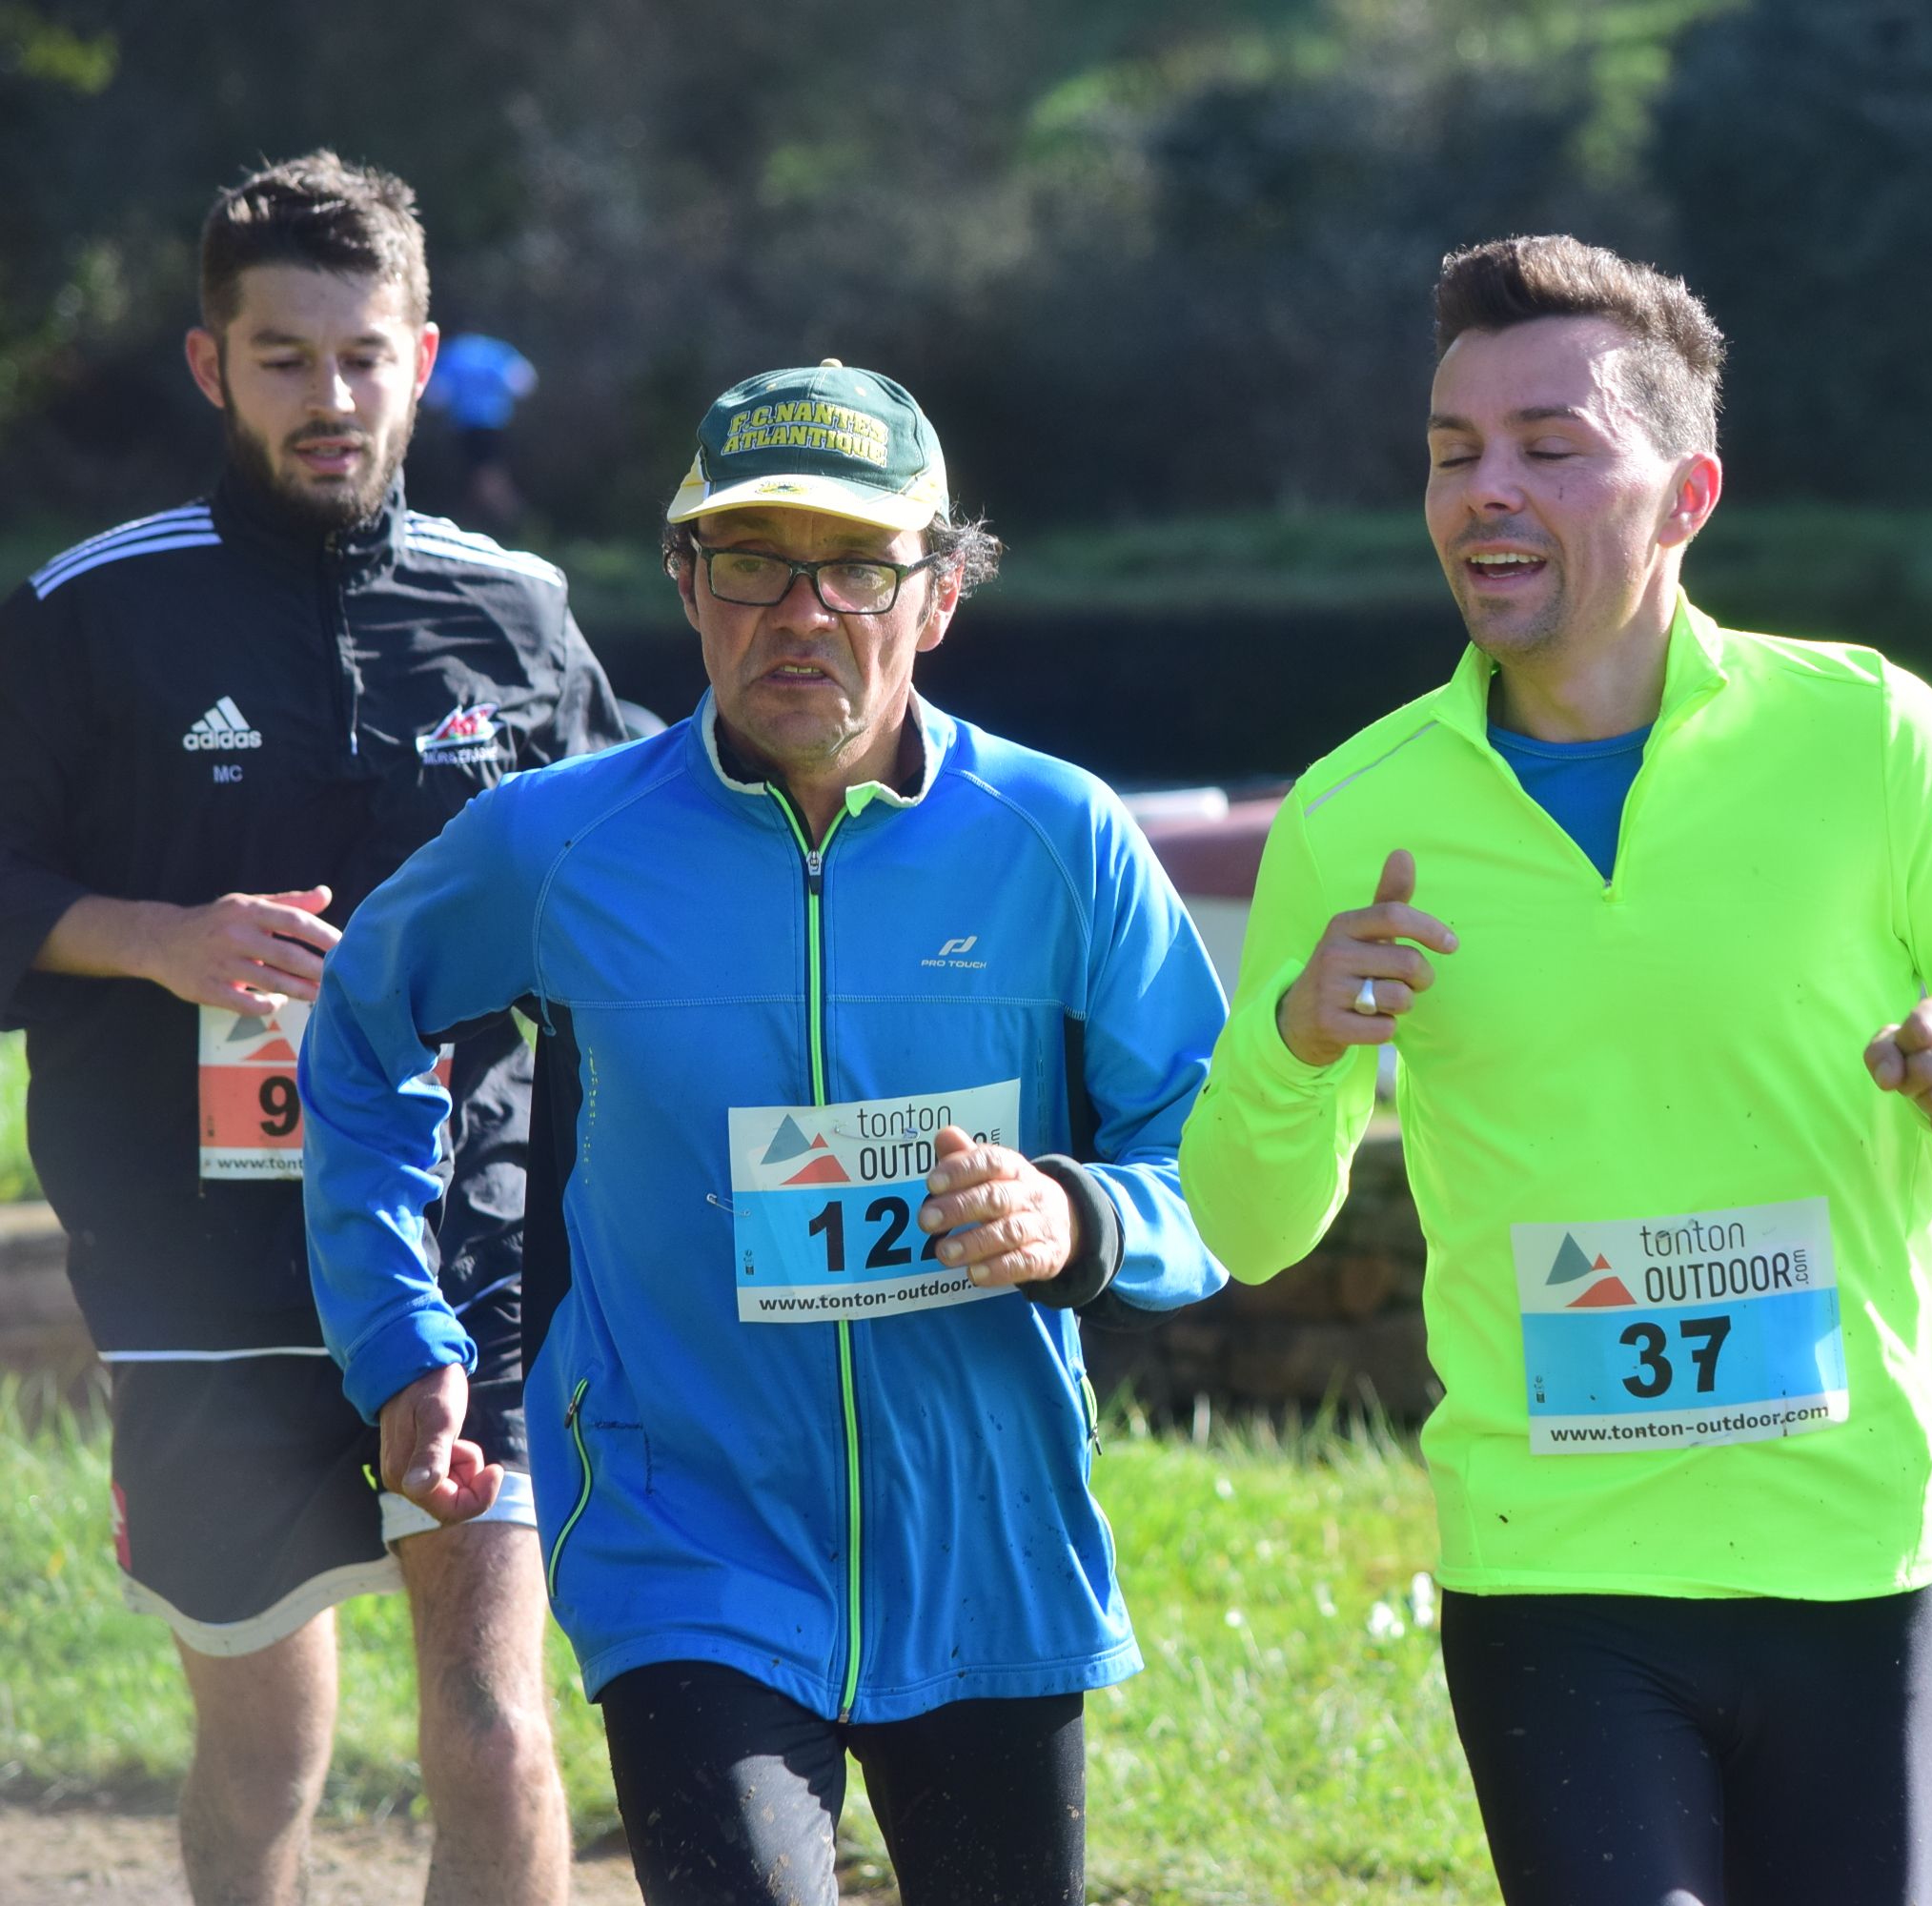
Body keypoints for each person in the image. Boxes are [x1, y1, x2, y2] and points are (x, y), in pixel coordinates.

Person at [1179, 235, 1932, 1906]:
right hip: (1552, 1571)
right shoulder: (1355, 818)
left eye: (1547, 447)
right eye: (1452, 453)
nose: (1485, 492)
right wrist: (1296, 1041)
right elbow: (1245, 1224)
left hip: (1853, 1554)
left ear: (1686, 495)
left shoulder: (1866, 736)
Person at [300, 359, 1229, 1906]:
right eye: (750, 562)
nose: (801, 612)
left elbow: (1212, 1143)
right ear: (687, 585)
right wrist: (402, 1338)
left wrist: (1084, 1218)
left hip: (987, 1542)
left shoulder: (1060, 840)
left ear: (939, 596)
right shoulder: (559, 843)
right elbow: (357, 1040)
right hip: (686, 1537)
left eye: (857, 566)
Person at [0, 152, 626, 1905]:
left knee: (495, 1730)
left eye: (363, 357)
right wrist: (161, 941)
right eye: (285, 358)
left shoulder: (519, 614)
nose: (331, 398)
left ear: (422, 359)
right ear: (214, 366)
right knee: (265, 1749)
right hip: (199, 1267)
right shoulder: (89, 614)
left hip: (468, 1247)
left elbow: (632, 894)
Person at [418, 332, 538, 529]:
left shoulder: (453, 353)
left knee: (487, 477)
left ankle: (518, 522)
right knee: (478, 476)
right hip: (494, 423)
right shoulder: (498, 350)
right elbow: (523, 383)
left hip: (468, 426)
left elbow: (436, 395)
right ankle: (483, 524)